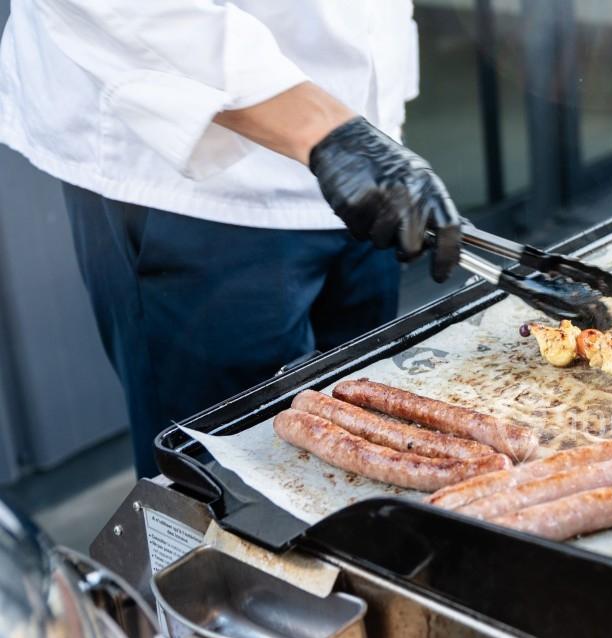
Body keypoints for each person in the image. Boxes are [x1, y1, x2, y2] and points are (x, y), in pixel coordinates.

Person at [0, 0, 462, 477]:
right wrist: (323, 130)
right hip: (194, 183)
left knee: (369, 453)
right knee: (220, 481)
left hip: (367, 151)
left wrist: (362, 131)